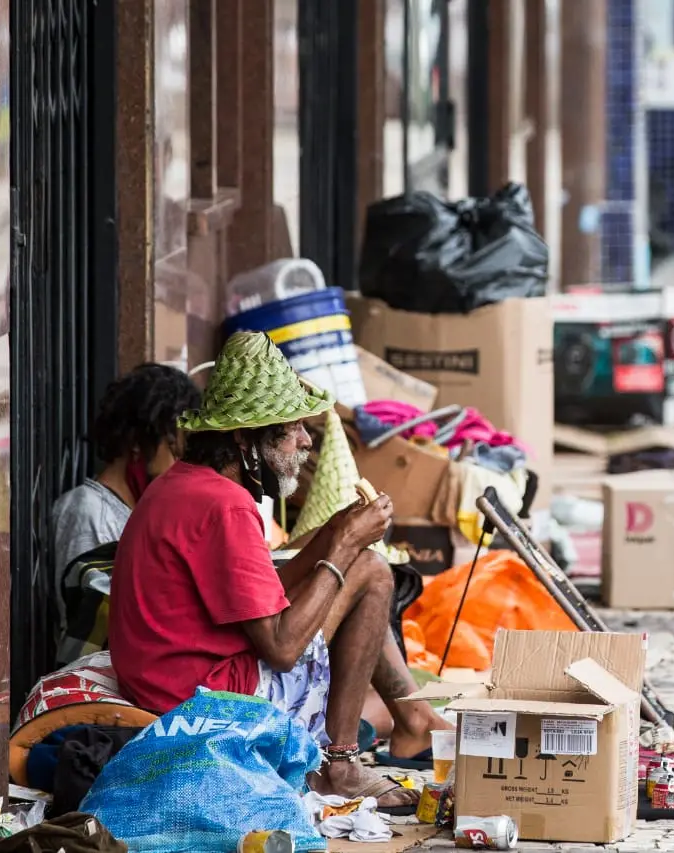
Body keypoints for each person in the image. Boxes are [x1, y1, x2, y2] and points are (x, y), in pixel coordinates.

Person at [109, 332, 446, 806]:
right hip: (202, 698)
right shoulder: (225, 505)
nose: (306, 441)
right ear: (245, 438)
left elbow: (263, 594)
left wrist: (332, 533)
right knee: (372, 570)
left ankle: (387, 735)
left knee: (360, 562)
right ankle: (341, 765)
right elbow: (283, 648)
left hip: (169, 677)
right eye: (293, 430)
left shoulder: (182, 485)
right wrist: (346, 545)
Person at [50, 363, 201, 631]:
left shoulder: (139, 510)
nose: (179, 465)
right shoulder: (89, 512)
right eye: (172, 449)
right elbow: (100, 622)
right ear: (137, 441)